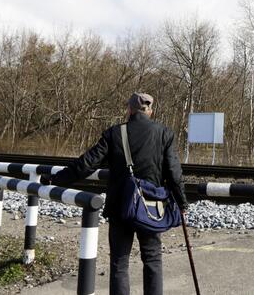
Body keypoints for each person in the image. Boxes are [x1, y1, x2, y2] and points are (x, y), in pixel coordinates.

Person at [48, 92, 187, 295]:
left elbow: (86, 164)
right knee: (153, 259)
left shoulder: (114, 134)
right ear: (150, 111)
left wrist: (56, 179)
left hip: (120, 207)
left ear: (129, 110)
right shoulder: (164, 133)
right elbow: (174, 173)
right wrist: (182, 203)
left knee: (119, 262)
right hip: (150, 208)